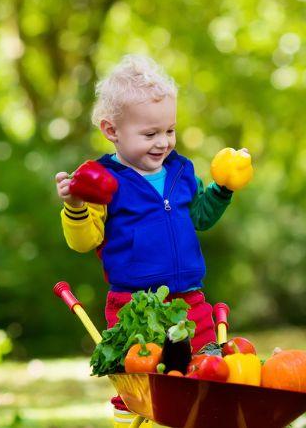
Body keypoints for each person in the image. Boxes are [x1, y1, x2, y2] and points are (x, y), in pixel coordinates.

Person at [54, 54, 251, 427]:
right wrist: (75, 205)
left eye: (169, 130)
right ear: (111, 130)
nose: (163, 142)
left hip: (190, 299)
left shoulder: (180, 169)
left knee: (208, 372)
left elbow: (200, 218)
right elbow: (83, 241)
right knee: (141, 389)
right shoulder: (101, 180)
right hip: (134, 305)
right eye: (150, 134)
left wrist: (223, 188)